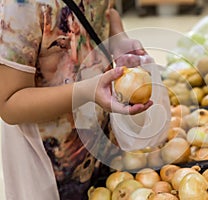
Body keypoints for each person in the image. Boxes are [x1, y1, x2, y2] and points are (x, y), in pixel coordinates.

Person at [0, 0, 153, 199]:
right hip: (50, 169)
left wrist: (118, 39)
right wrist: (85, 92)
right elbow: (9, 103)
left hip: (102, 150)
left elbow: (107, 12)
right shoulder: (18, 6)